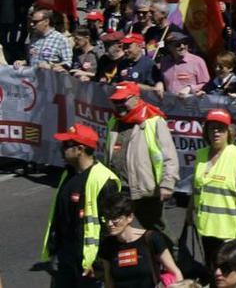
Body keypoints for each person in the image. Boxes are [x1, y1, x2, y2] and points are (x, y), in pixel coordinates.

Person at [41, 123, 121, 288]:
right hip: (64, 254)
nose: (61, 148)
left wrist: (99, 263)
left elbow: (112, 226)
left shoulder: (104, 180)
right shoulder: (68, 173)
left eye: (66, 145)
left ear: (80, 149)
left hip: (88, 260)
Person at [104, 82, 179, 234]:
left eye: (123, 100)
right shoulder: (114, 121)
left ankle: (171, 255)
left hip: (147, 190)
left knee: (156, 229)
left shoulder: (154, 121)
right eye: (116, 101)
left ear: (136, 98)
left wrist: (167, 183)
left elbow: (169, 156)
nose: (119, 105)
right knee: (118, 229)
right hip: (120, 188)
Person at [190, 109, 236, 271]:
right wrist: (188, 212)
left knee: (229, 270)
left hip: (229, 228)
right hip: (206, 225)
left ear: (229, 132)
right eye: (212, 128)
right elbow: (197, 187)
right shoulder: (201, 155)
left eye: (221, 128)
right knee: (212, 268)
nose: (216, 132)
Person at [96, 189, 183, 288]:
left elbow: (175, 272)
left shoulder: (151, 239)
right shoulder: (107, 245)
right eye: (107, 218)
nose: (109, 223)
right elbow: (109, 281)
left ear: (130, 217)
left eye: (115, 218)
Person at [158, 32, 211, 96]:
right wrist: (159, 83)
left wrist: (190, 88)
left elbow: (206, 84)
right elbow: (162, 79)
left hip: (190, 104)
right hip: (169, 103)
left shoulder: (197, 61)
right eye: (178, 44)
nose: (182, 46)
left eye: (185, 43)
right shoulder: (164, 61)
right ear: (169, 47)